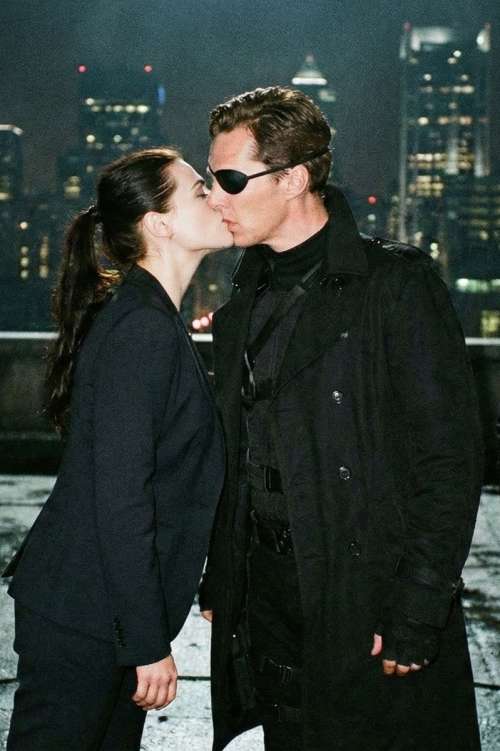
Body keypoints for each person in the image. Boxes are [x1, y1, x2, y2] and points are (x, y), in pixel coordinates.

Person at [199, 87, 484, 751]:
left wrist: (418, 607)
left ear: (294, 178)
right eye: (212, 180)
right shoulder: (246, 293)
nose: (214, 198)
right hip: (272, 593)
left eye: (230, 180)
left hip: (364, 590)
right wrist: (224, 576)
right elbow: (240, 452)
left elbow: (450, 460)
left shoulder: (396, 285)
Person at [2, 146, 232, 750]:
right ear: (159, 224)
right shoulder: (142, 329)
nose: (217, 197)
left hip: (95, 609)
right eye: (199, 190)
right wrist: (146, 643)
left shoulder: (151, 317)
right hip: (85, 614)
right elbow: (122, 498)